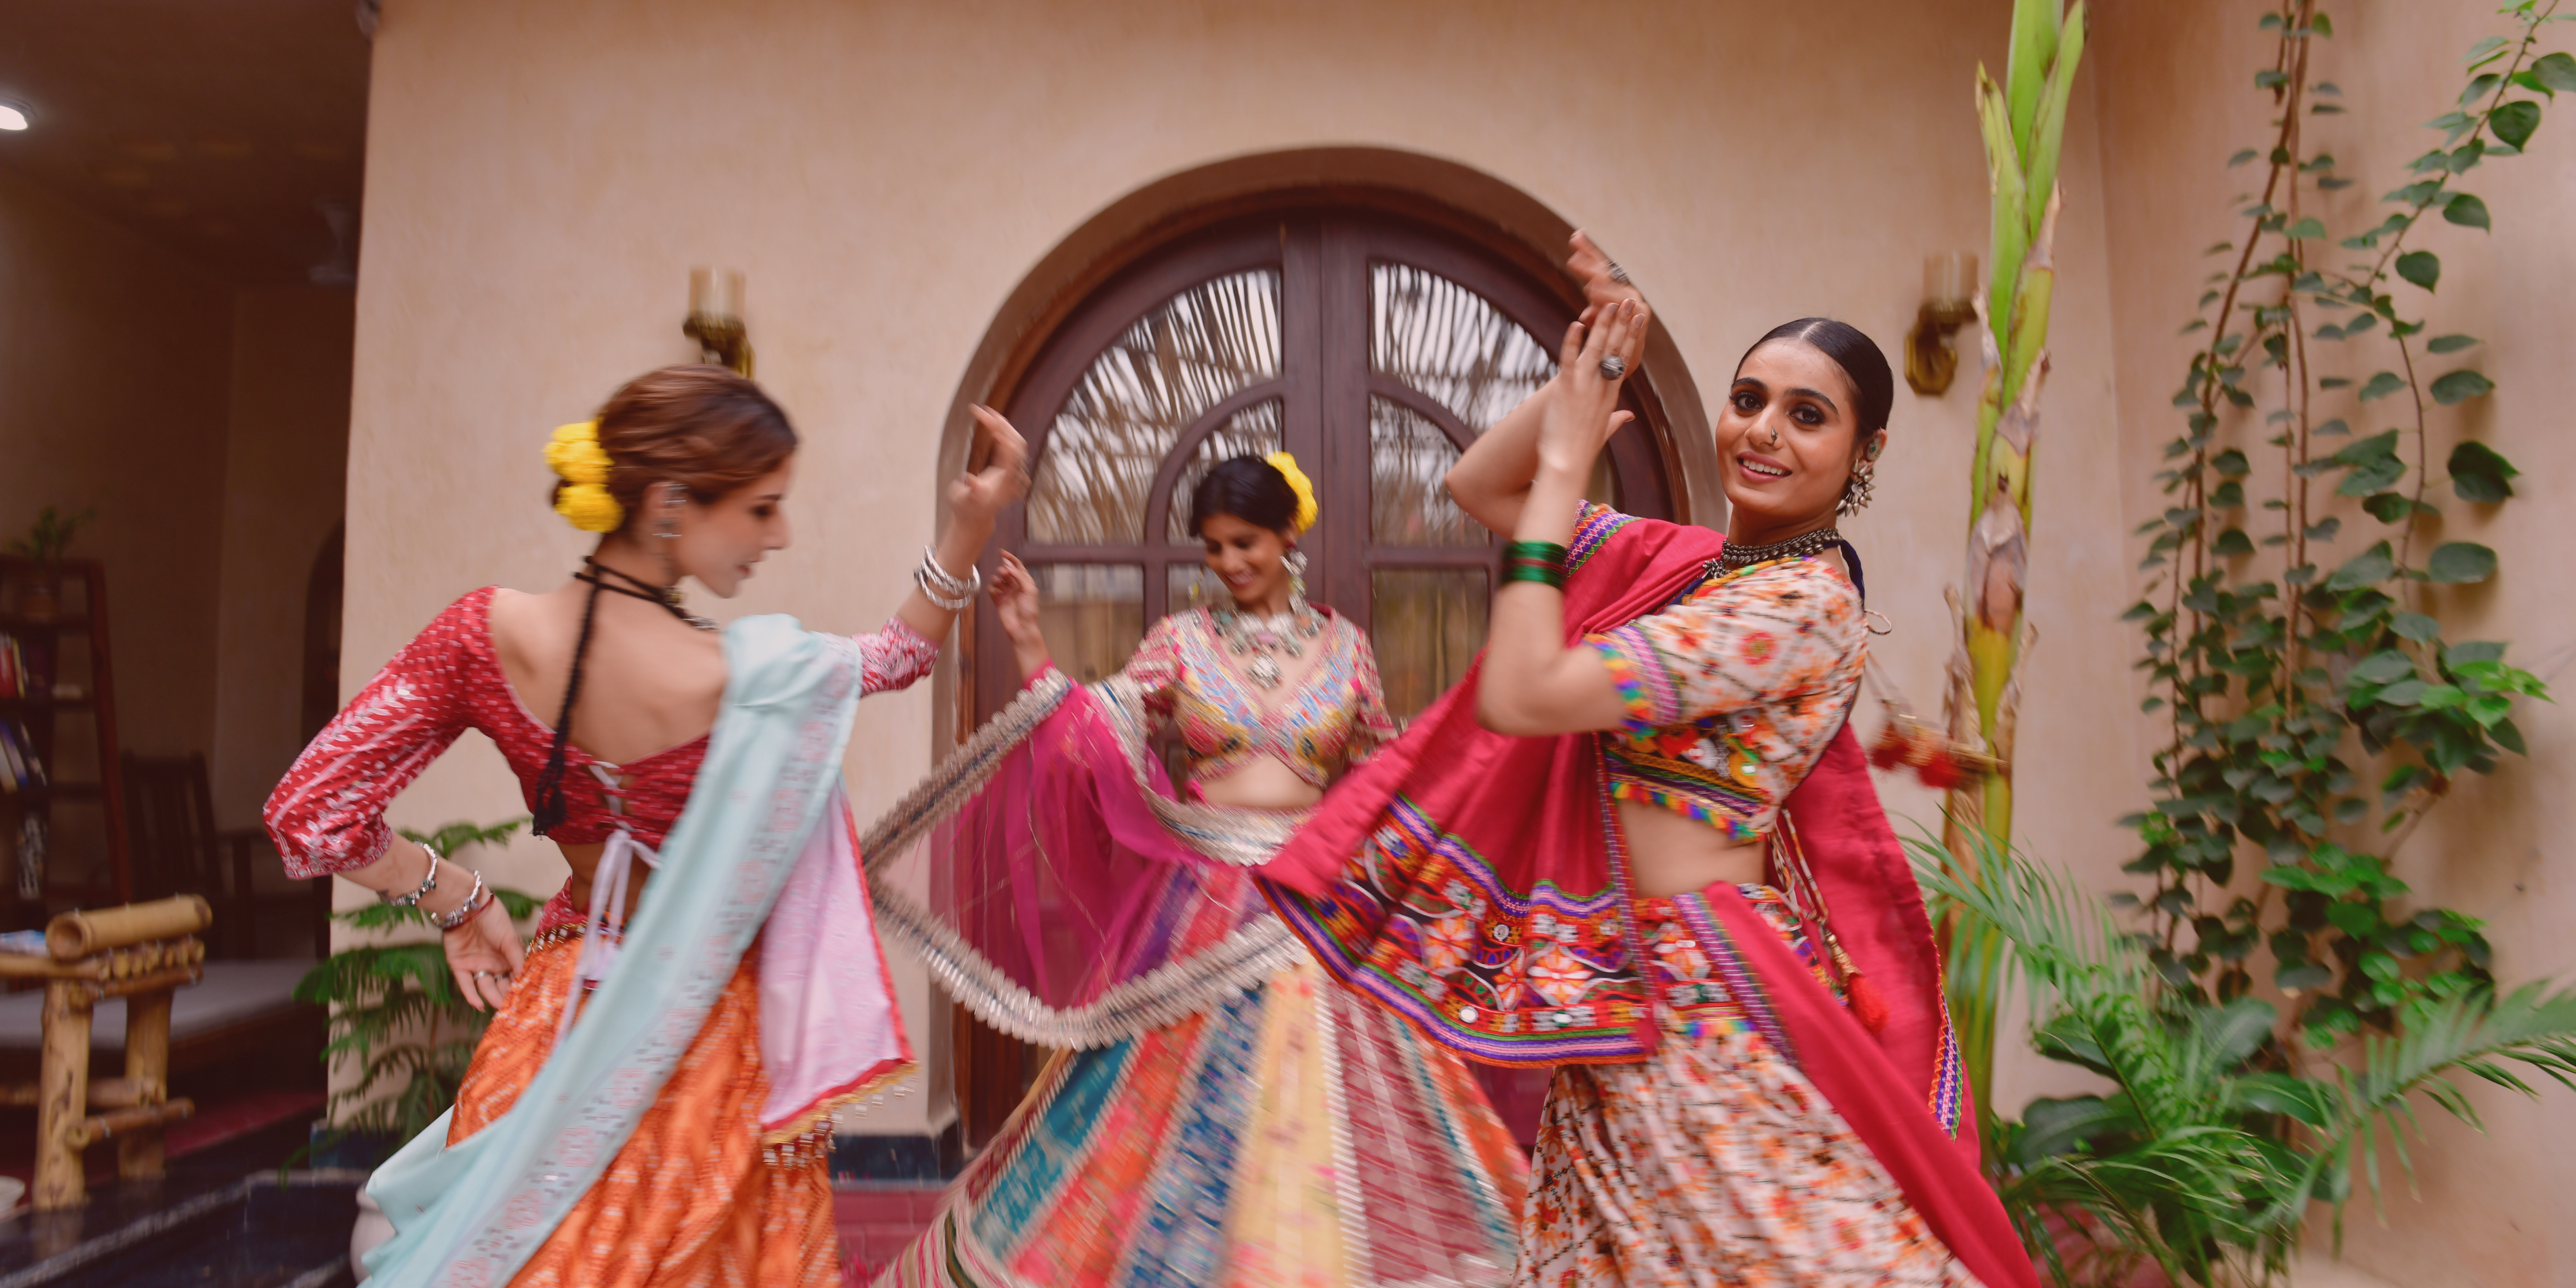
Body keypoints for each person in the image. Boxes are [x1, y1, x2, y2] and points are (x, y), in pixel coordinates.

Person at [1262, 237, 2039, 1288]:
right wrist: (1595, 368)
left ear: (1867, 452)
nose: (1763, 431)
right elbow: (1479, 482)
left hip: (1707, 995)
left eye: (1808, 416)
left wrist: (1571, 466)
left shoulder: (1799, 605)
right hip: (1624, 983)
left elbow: (1525, 693)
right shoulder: (1686, 569)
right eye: (1749, 398)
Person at [264, 365, 1028, 1287]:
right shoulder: (746, 676)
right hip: (713, 1046)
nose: (778, 536)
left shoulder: (482, 635)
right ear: (669, 502)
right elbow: (902, 655)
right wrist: (969, 527)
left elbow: (313, 813)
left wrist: (455, 896)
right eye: (760, 510)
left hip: (555, 1021)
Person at [866, 454, 1528, 1288]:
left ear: (1290, 535)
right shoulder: (1179, 643)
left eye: (1244, 543)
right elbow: (1096, 738)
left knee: (1336, 1099)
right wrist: (1030, 638)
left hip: (1316, 894)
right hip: (1203, 902)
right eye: (1212, 549)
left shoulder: (1345, 647)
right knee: (1159, 1106)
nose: (1228, 564)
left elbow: (1385, 769)